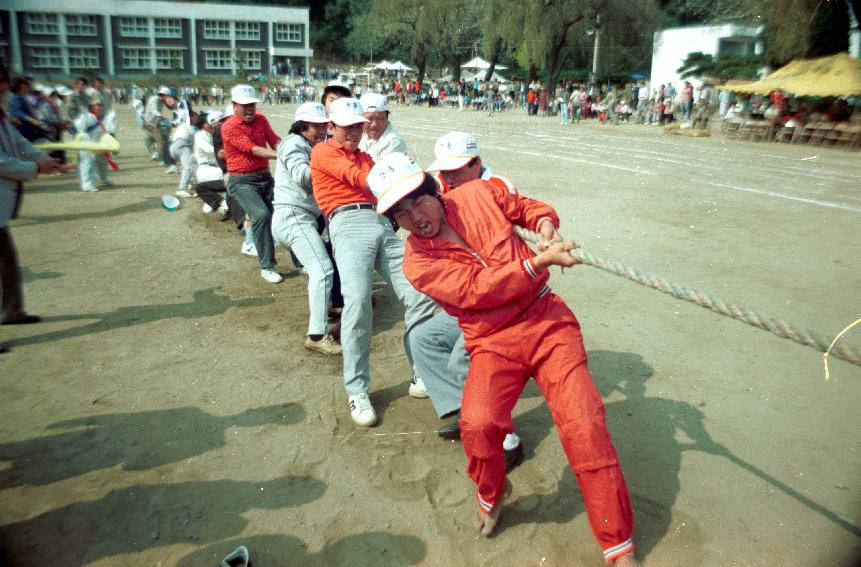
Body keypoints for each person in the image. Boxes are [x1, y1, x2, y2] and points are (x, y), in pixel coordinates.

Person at [367, 152, 639, 566]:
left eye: (419, 201)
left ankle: (617, 544)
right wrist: (539, 261)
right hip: (492, 341)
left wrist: (544, 225)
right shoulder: (416, 262)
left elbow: (528, 207)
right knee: (477, 425)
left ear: (435, 189)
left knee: (584, 424)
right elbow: (479, 290)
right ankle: (492, 493)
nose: (416, 216)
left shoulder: (478, 193)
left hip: (548, 323)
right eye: (401, 213)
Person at [309, 97, 435, 426]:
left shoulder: (366, 155)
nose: (354, 131)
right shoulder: (323, 151)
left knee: (419, 294)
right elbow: (361, 179)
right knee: (357, 303)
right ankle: (357, 389)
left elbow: (381, 187)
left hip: (381, 223)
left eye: (357, 126)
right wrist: (403, 177)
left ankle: (422, 373)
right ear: (332, 127)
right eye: (347, 126)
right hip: (347, 224)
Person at [0, 64, 74, 338]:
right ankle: (10, 310)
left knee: (7, 261)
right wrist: (36, 168)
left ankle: (11, 311)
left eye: (4, 82)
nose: (4, 88)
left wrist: (44, 160)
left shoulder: (2, 115)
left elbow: (18, 144)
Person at [271, 102, 342, 355]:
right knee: (322, 270)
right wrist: (330, 165)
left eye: (324, 124)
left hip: (302, 217)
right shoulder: (293, 143)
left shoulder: (309, 145)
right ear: (302, 126)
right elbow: (302, 175)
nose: (323, 128)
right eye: (317, 125)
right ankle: (316, 335)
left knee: (326, 264)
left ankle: (326, 307)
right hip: (293, 216)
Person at [221, 84, 282, 284]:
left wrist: (289, 148)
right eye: (244, 105)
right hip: (242, 181)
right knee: (261, 215)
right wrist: (280, 155)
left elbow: (274, 140)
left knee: (285, 212)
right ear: (234, 105)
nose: (249, 109)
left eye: (252, 105)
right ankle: (267, 266)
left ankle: (300, 263)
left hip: (264, 177)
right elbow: (253, 149)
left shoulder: (261, 120)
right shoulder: (229, 126)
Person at [427, 131, 519, 196]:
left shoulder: (500, 188)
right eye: (444, 171)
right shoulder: (440, 183)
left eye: (456, 171)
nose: (450, 179)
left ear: (477, 163)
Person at [74, 97, 116, 192]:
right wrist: (86, 142)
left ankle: (103, 178)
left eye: (101, 105)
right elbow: (80, 129)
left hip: (99, 144)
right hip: (86, 143)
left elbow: (109, 131)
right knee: (87, 163)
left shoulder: (104, 117)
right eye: (97, 105)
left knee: (102, 162)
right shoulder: (87, 117)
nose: (100, 107)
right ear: (92, 107)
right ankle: (87, 184)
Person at [193, 111, 229, 215]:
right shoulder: (199, 136)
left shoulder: (211, 134)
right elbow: (209, 149)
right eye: (209, 122)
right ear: (203, 125)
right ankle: (224, 203)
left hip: (212, 169)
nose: (212, 124)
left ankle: (215, 203)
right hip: (206, 170)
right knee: (230, 177)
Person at [357, 92, 407, 161]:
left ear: (387, 117)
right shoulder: (360, 134)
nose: (374, 124)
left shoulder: (393, 142)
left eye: (380, 119)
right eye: (369, 119)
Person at [144, 86, 178, 171]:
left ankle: (154, 152)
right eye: (168, 96)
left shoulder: (161, 101)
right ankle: (161, 159)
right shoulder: (155, 99)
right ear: (163, 95)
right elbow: (153, 110)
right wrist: (160, 115)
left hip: (156, 122)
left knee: (153, 138)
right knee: (160, 142)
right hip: (152, 123)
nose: (169, 98)